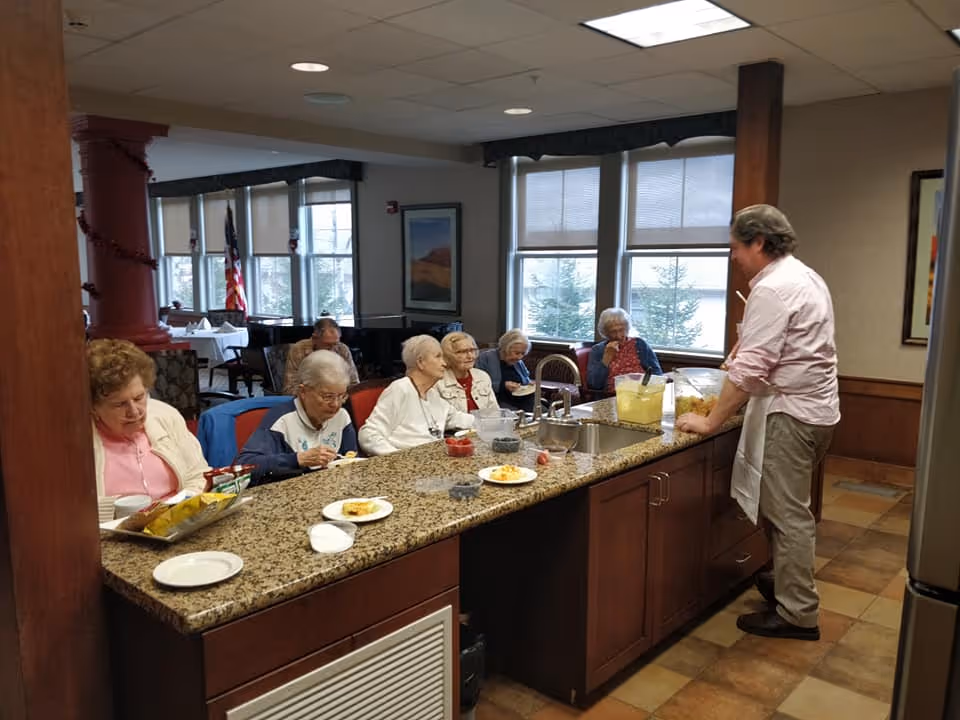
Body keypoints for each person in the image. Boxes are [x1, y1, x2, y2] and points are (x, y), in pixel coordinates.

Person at [676, 204, 839, 641]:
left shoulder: (773, 289)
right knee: (783, 509)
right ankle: (786, 581)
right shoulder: (806, 276)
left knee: (787, 516)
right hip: (818, 411)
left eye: (736, 248)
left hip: (793, 414)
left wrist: (711, 421)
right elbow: (776, 350)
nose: (733, 257)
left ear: (760, 243)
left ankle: (798, 613)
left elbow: (750, 370)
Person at [87, 339, 209, 523]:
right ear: (93, 407)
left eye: (139, 397)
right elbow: (68, 507)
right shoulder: (78, 439)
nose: (134, 411)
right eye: (119, 404)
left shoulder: (165, 415)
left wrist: (179, 507)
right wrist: (123, 512)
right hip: (114, 536)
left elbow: (199, 474)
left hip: (178, 524)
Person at [238, 350, 358, 485]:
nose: (336, 404)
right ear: (303, 392)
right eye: (327, 397)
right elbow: (245, 466)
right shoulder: (281, 421)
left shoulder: (341, 416)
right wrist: (297, 459)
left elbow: (350, 460)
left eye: (342, 396)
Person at [359, 335, 474, 455]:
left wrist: (491, 421)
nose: (444, 363)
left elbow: (459, 419)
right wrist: (396, 456)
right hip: (406, 463)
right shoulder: (400, 389)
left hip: (433, 460)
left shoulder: (432, 394)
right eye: (438, 357)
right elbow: (368, 434)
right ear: (420, 362)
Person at [586, 308, 662, 393]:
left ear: (627, 328)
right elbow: (594, 384)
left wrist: (650, 388)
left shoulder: (640, 344)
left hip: (643, 392)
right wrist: (607, 358)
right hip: (613, 396)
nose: (618, 336)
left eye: (621, 330)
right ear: (605, 332)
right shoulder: (597, 350)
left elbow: (657, 372)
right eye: (613, 332)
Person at [283, 317, 359, 394]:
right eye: (327, 345)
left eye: (335, 343)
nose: (333, 349)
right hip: (309, 399)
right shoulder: (298, 350)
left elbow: (354, 383)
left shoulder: (342, 349)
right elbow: (289, 389)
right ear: (314, 338)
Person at [436, 331, 498, 413]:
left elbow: (495, 412)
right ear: (448, 355)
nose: (470, 356)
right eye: (462, 352)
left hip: (484, 425)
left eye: (472, 350)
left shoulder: (483, 377)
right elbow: (440, 418)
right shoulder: (438, 382)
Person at [475, 329, 534, 412]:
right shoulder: (485, 358)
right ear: (505, 348)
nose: (520, 357)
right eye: (517, 353)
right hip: (499, 403)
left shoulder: (518, 362)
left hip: (524, 401)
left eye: (523, 354)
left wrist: (529, 383)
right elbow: (477, 385)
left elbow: (525, 379)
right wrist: (503, 385)